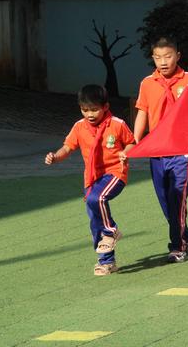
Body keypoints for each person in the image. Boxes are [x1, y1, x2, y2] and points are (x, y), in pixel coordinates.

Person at [45, 85, 135, 276]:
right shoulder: (79, 127)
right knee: (94, 220)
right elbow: (68, 148)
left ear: (105, 106)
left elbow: (131, 142)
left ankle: (111, 231)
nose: (90, 114)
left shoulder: (117, 124)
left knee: (97, 199)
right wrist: (55, 156)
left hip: (115, 173)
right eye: (85, 110)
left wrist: (125, 153)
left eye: (94, 109)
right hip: (92, 178)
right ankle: (107, 262)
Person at [134, 37, 188, 263]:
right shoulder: (147, 83)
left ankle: (178, 246)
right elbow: (142, 111)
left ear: (178, 55)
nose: (163, 61)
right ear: (152, 58)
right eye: (158, 57)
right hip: (157, 149)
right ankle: (185, 235)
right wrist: (135, 141)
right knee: (165, 198)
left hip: (183, 147)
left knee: (178, 197)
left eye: (168, 56)